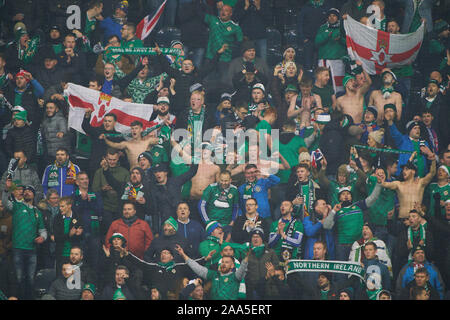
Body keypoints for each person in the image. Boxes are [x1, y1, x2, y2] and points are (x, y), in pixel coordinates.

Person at [2, 180, 47, 299]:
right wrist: (6, 190)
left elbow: (43, 230)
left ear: (33, 195)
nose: (26, 193)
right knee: (18, 277)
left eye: (29, 191)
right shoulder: (17, 206)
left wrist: (42, 237)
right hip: (18, 249)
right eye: (25, 191)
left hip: (32, 250)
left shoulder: (37, 212)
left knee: (31, 278)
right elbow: (5, 202)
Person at [323, 175, 382, 262]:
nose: (346, 196)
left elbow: (373, 198)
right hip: (342, 246)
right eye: (343, 194)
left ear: (351, 196)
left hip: (358, 245)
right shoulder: (337, 210)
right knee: (342, 272)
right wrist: (333, 211)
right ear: (339, 197)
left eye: (348, 194)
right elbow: (326, 226)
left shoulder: (358, 205)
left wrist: (379, 184)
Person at [175, 243, 250, 300]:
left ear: (232, 265)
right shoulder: (214, 275)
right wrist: (183, 255)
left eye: (227, 262)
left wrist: (247, 257)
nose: (223, 264)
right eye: (222, 262)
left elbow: (243, 268)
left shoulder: (236, 276)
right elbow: (198, 268)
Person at [381, 151, 436, 219]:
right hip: (402, 220)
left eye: (406, 169)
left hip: (417, 220)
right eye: (403, 170)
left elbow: (432, 173)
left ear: (413, 171)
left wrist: (433, 160)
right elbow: (384, 184)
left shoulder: (420, 183)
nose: (404, 171)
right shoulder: (398, 184)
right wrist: (379, 178)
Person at [92, 148, 130, 232]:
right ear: (105, 158)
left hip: (120, 208)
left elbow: (128, 191)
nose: (112, 162)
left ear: (118, 158)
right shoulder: (99, 172)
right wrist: (103, 189)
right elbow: (94, 191)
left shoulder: (125, 172)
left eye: (114, 160)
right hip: (105, 208)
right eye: (109, 159)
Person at [72, 172, 103, 270]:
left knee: (95, 260)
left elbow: (100, 211)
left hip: (94, 232)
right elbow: (73, 213)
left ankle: (93, 283)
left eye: (86, 179)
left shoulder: (95, 195)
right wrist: (83, 201)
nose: (85, 181)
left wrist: (91, 202)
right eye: (82, 179)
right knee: (80, 260)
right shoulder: (74, 196)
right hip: (80, 233)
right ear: (77, 182)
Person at [245, 227, 283, 300]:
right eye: (253, 237)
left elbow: (278, 269)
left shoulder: (271, 252)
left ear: (262, 238)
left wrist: (273, 270)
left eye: (258, 237)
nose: (255, 239)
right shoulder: (247, 252)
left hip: (269, 289)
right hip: (252, 290)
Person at [53, 196, 83, 276]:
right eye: (60, 206)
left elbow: (81, 238)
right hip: (61, 254)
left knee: (74, 280)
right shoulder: (57, 219)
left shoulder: (78, 217)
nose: (60, 208)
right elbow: (56, 238)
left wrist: (80, 233)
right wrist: (69, 235)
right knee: (60, 278)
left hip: (74, 256)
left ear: (69, 205)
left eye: (62, 206)